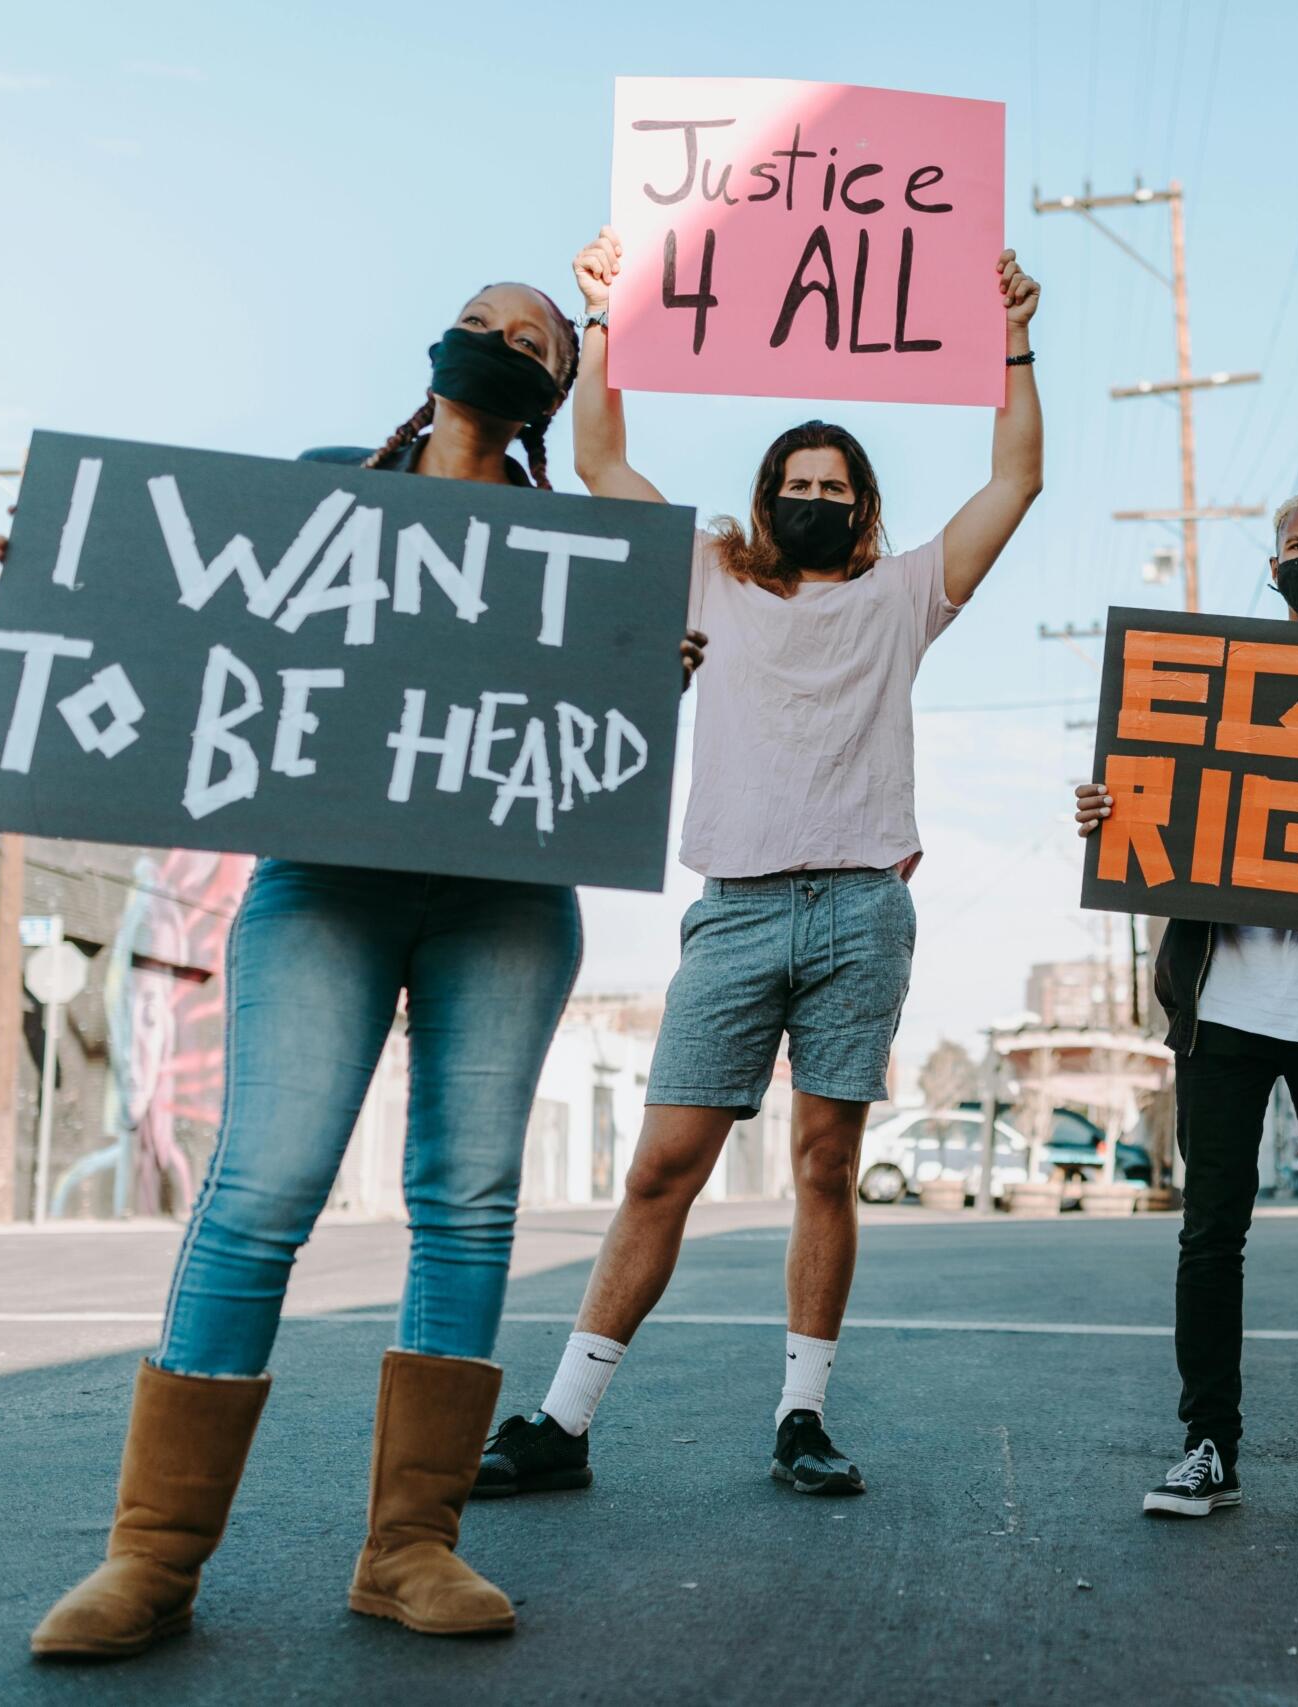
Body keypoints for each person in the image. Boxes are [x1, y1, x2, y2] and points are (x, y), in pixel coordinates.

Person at [32, 282, 706, 1659]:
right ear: (438, 346)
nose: (502, 344)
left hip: (504, 902)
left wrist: (652, 664)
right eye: (486, 320)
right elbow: (203, 621)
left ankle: (413, 1545)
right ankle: (152, 1553)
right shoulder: (326, 493)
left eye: (537, 341)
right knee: (262, 1183)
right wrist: (84, 579)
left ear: (556, 387)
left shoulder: (571, 543)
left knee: (465, 1199)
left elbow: (598, 703)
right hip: (321, 886)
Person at [476, 226, 1041, 1500]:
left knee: (824, 1166)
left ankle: (801, 1416)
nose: (820, 498)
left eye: (841, 486)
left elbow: (1015, 479)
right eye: (802, 479)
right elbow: (601, 453)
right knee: (663, 1167)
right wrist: (609, 311)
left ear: (866, 507)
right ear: (769, 490)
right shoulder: (703, 576)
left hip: (860, 911)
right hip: (730, 917)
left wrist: (1009, 337)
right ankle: (562, 1423)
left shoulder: (906, 596)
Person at [1071, 487, 1298, 1527]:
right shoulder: (1218, 691)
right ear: (1272, 569)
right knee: (1208, 1234)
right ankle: (1207, 1446)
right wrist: (1107, 811)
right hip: (1226, 1004)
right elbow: (1150, 805)